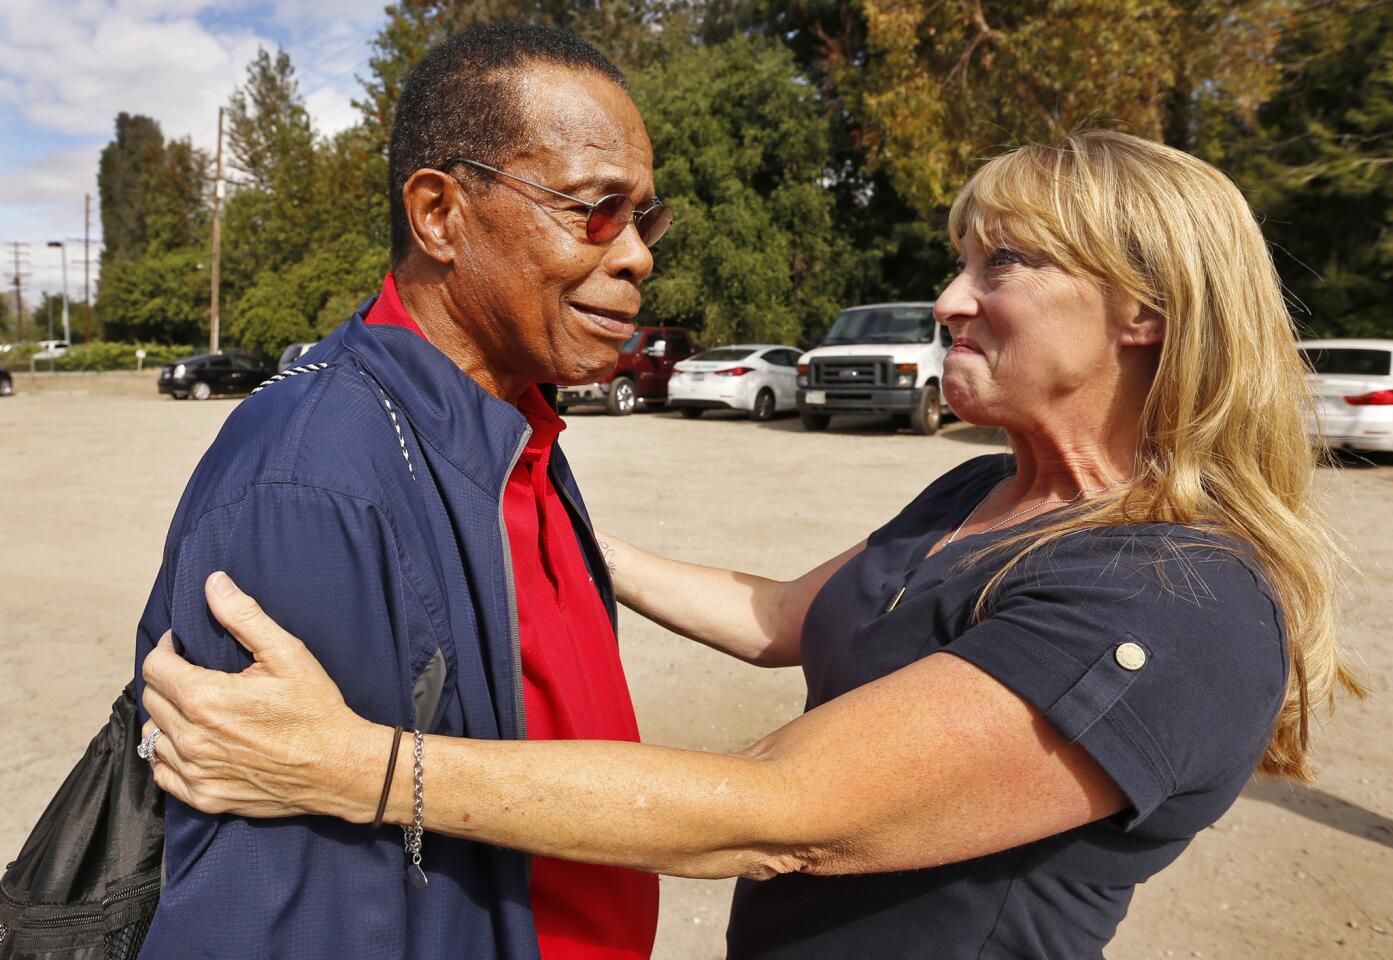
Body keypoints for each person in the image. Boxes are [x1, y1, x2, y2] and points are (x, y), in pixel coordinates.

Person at [138, 130, 1364, 958]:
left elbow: (784, 811)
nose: (948, 298)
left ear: (1145, 309)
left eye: (1006, 263)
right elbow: (778, 617)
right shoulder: (979, 493)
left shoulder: (1173, 593)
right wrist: (539, 516)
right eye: (959, 261)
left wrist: (350, 765)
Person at [131, 23, 672, 960]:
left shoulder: (515, 429)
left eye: (644, 219)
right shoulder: (315, 481)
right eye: (594, 210)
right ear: (439, 215)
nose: (635, 256)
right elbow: (283, 917)